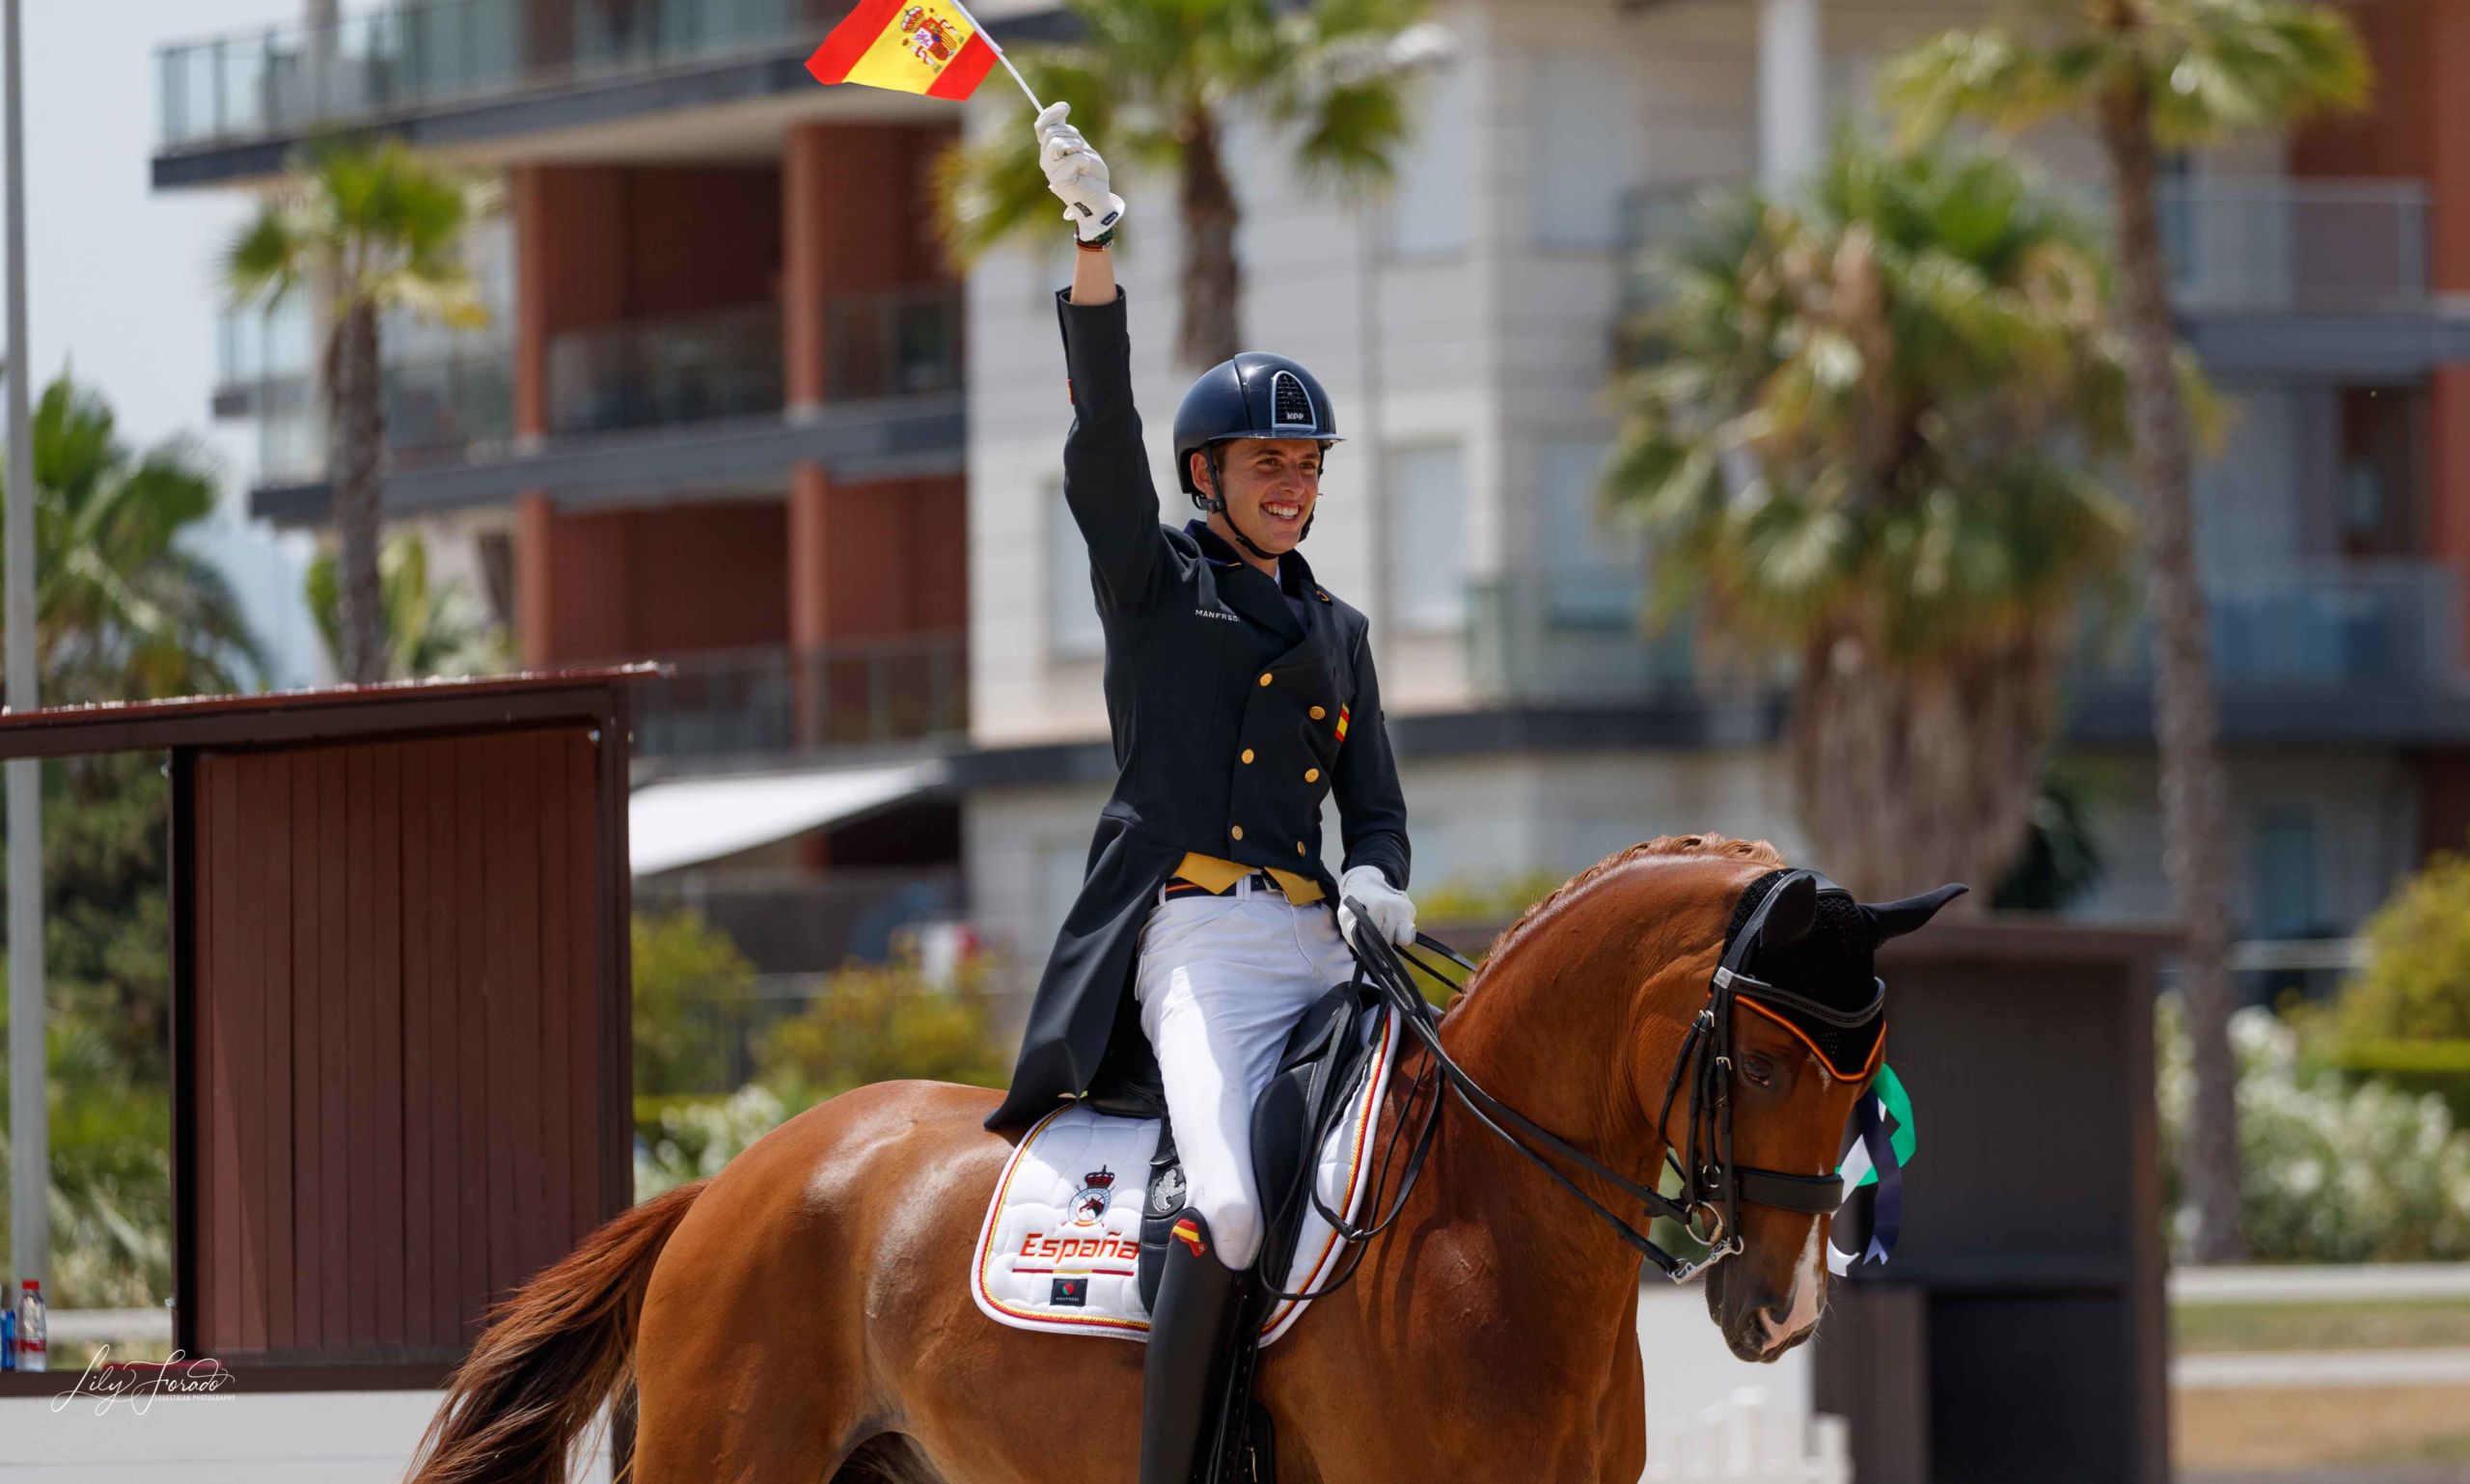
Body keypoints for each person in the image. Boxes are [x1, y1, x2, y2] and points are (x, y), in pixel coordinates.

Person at [979, 100, 1419, 1484]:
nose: (1294, 486)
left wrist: (1375, 876)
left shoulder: (1340, 630)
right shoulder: (1157, 586)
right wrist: (1096, 252)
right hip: (1200, 953)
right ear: (1207, 476)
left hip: (1321, 955)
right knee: (1229, 1207)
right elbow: (1100, 447)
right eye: (1269, 465)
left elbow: (1381, 806)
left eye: (1307, 465)